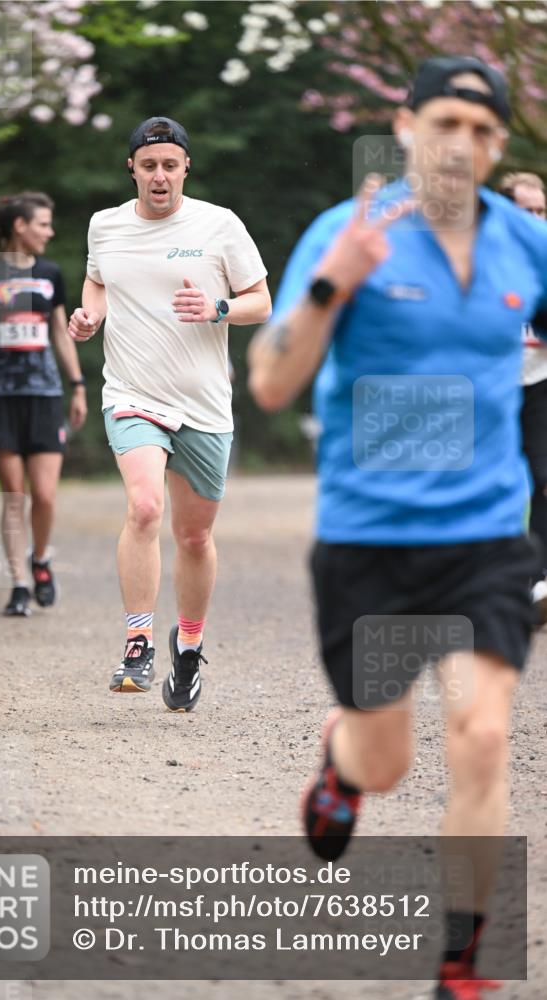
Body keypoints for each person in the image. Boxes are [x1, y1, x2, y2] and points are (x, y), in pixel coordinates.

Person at [248, 57, 547, 1000]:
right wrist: (333, 286)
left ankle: (462, 958)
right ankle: (341, 766)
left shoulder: (524, 244)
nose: (461, 142)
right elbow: (268, 382)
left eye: (481, 128)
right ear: (407, 123)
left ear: (497, 146)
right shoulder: (347, 233)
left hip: (487, 536)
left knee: (483, 734)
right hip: (369, 540)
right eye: (445, 120)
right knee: (386, 758)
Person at [68, 116, 270, 710]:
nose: (160, 175)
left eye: (170, 165)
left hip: (204, 403)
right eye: (149, 164)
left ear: (186, 168)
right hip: (131, 391)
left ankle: (188, 647)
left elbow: (261, 302)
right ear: (132, 168)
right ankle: (138, 641)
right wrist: (89, 316)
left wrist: (217, 306)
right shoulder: (104, 226)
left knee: (195, 534)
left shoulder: (220, 224)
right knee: (145, 506)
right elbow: (96, 281)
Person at [0, 191, 87, 616]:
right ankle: (18, 584)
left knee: (45, 495)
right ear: (20, 226)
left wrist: (78, 385)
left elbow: (59, 333)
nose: (50, 233)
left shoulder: (50, 273)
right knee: (14, 495)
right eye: (43, 224)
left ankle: (41, 558)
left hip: (45, 394)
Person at [499, 172, 547, 621]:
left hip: (540, 383)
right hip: (491, 387)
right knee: (494, 484)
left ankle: (537, 582)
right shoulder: (481, 260)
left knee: (543, 477)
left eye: (540, 210)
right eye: (525, 210)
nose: (535, 219)